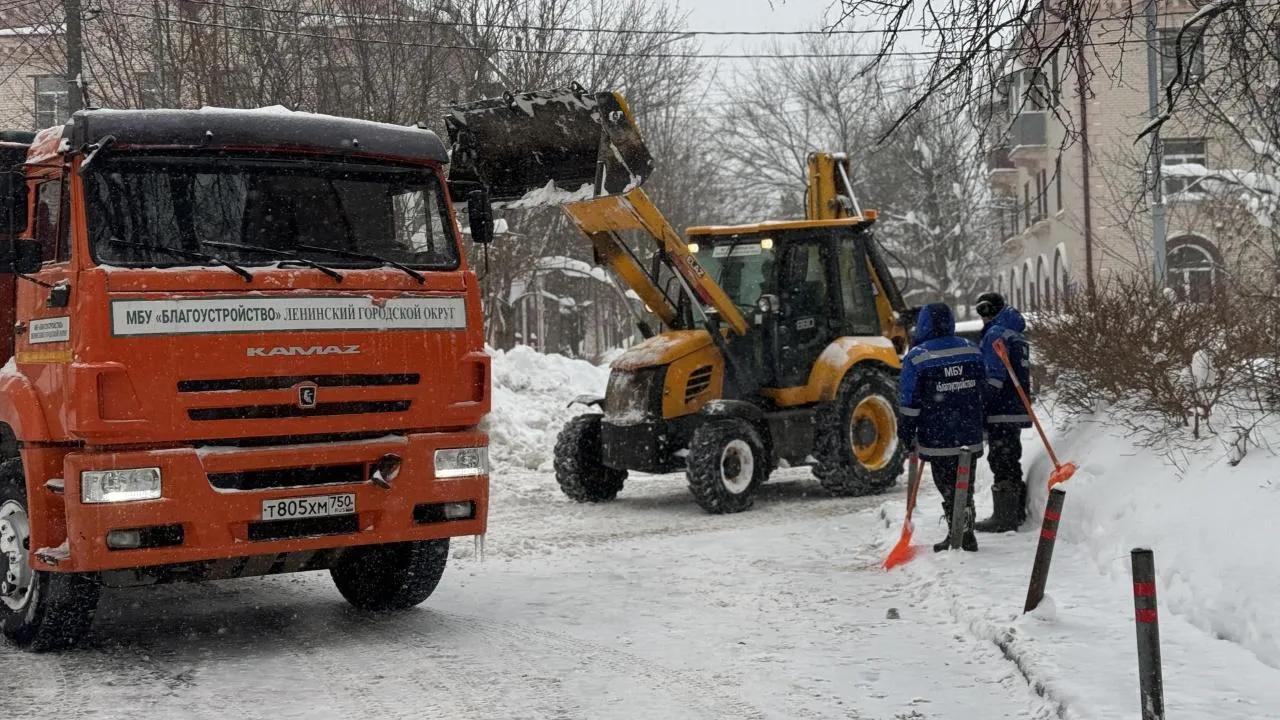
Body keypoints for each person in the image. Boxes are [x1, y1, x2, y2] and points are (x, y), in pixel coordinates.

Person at [897, 302, 986, 552]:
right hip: (969, 431)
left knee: (946, 484)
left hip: (938, 435)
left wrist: (906, 430)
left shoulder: (918, 356)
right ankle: (965, 529)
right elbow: (983, 389)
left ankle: (958, 532)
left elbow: (909, 400)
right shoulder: (971, 350)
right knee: (964, 482)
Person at [973, 291, 1033, 533]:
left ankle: (1005, 516)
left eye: (984, 310)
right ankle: (1014, 511)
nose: (982, 317)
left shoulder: (996, 334)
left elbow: (994, 378)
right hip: (1016, 406)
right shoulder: (1016, 334)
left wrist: (978, 404)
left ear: (991, 310)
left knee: (1001, 458)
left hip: (1001, 408)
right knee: (1010, 456)